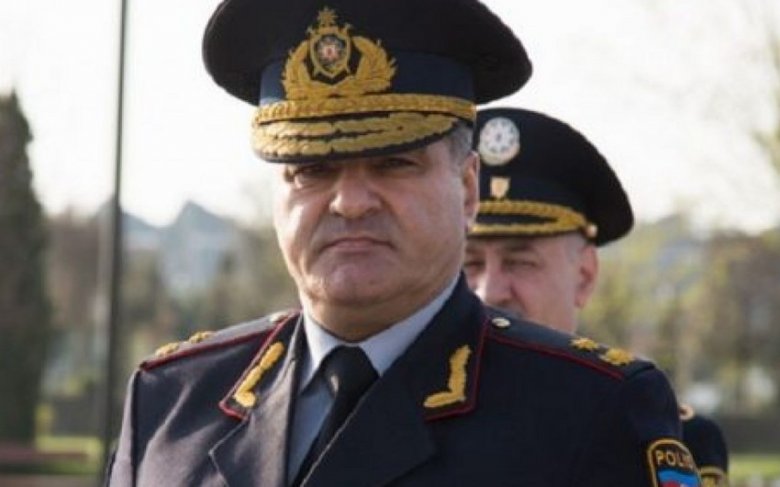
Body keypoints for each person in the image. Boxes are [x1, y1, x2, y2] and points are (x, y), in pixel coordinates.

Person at [106, 1, 699, 485]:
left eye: (393, 163)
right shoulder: (173, 402)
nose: (349, 202)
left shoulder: (590, 412)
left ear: (466, 189)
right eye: (312, 170)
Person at [465, 106, 729, 486]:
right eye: (470, 264)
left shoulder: (660, 435)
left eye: (520, 262)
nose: (489, 290)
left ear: (585, 276)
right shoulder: (395, 418)